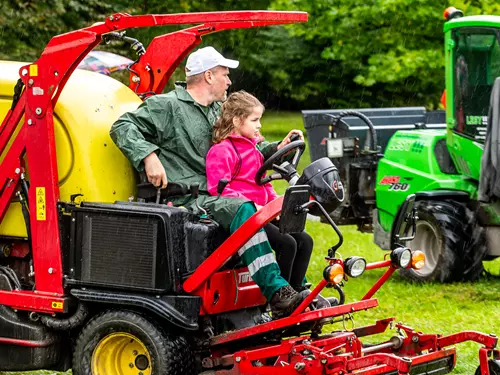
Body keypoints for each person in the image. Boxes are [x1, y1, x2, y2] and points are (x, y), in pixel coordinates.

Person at [110, 46, 309, 318]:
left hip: (216, 196)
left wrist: (277, 147)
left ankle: (295, 290)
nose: (229, 81)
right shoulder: (166, 106)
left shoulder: (218, 110)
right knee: (243, 208)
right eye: (225, 75)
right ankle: (277, 292)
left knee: (286, 217)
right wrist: (148, 156)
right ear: (208, 76)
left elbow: (241, 152)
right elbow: (122, 127)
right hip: (189, 199)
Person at [206, 91, 313, 292]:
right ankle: (282, 297)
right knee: (287, 244)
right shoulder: (222, 151)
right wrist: (251, 205)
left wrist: (275, 205)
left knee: (304, 240)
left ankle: (298, 291)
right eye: (255, 120)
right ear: (237, 120)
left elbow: (264, 182)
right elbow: (218, 190)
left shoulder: (253, 149)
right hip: (247, 217)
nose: (259, 125)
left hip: (264, 213)